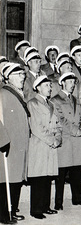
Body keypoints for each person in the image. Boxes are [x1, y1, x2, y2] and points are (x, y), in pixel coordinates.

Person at [52, 72, 81, 210]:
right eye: (70, 82)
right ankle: (58, 202)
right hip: (65, 140)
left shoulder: (75, 99)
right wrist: (75, 130)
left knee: (76, 171)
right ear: (63, 82)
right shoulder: (56, 100)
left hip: (75, 142)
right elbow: (60, 119)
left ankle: (78, 198)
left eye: (74, 82)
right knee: (61, 174)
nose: (73, 85)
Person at [27, 75, 61, 219]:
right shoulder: (32, 103)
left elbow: (58, 125)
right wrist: (51, 140)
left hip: (51, 146)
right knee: (39, 178)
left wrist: (58, 138)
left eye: (50, 85)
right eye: (47, 85)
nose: (50, 88)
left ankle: (46, 206)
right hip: (40, 145)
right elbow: (36, 127)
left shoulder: (52, 104)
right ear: (38, 87)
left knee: (48, 177)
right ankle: (36, 209)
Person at [0, 63, 30, 224]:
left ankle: (13, 210)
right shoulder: (3, 94)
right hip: (8, 145)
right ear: (9, 77)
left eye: (23, 75)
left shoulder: (18, 93)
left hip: (19, 145)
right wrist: (2, 140)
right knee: (6, 180)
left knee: (16, 180)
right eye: (19, 75)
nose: (22, 78)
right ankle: (4, 214)